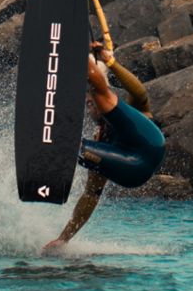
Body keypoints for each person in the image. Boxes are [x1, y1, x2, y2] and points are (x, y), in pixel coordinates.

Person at [43, 43, 165, 252]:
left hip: (149, 148)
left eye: (91, 102)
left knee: (100, 96)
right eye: (88, 105)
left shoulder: (124, 108)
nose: (91, 105)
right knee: (77, 149)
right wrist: (64, 238)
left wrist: (110, 62)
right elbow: (91, 196)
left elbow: (140, 92)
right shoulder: (100, 142)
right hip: (129, 167)